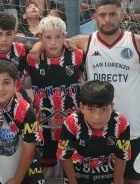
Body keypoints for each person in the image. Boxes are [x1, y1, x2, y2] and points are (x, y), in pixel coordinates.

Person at [31, 0, 140, 183]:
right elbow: (54, 39)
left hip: (134, 124)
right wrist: (37, 45)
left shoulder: (138, 42)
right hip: (97, 127)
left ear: (121, 15)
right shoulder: (84, 42)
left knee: (132, 179)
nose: (108, 19)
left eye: (113, 14)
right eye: (102, 15)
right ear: (95, 17)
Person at [26, 16, 84, 176]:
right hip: (44, 123)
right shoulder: (31, 59)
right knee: (43, 165)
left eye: (58, 37)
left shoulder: (77, 56)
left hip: (72, 123)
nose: (53, 42)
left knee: (72, 163)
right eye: (48, 37)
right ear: (40, 38)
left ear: (65, 37)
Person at [57, 80, 130, 184]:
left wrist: (117, 181)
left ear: (112, 106)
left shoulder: (121, 123)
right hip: (78, 175)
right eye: (91, 109)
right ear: (82, 107)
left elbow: (122, 156)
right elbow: (65, 156)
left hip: (107, 175)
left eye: (104, 109)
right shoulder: (71, 123)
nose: (97, 117)